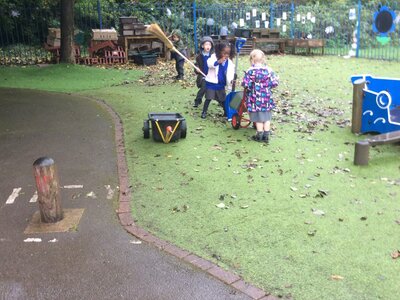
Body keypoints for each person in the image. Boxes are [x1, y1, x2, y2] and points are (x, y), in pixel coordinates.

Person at [241, 49, 279, 143]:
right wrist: (267, 86)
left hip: (255, 98)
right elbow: (274, 82)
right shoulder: (268, 70)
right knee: (266, 117)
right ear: (263, 59)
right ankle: (266, 135)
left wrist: (249, 87)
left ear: (252, 60)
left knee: (258, 118)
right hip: (266, 97)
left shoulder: (250, 71)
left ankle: (259, 135)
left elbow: (246, 84)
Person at [201, 41, 235, 119]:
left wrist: (231, 80)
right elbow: (209, 64)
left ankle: (226, 112)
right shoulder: (213, 57)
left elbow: (230, 73)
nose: (226, 55)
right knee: (208, 98)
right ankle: (204, 112)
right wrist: (218, 62)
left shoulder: (229, 62)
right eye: (224, 53)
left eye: (228, 53)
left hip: (221, 83)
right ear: (219, 51)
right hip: (212, 82)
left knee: (223, 100)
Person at [193, 36, 214, 108]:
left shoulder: (213, 56)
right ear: (202, 46)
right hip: (202, 76)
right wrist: (197, 69)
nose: (208, 46)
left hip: (211, 76)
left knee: (216, 90)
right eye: (206, 44)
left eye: (209, 45)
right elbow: (196, 65)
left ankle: (221, 102)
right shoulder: (199, 56)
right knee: (204, 88)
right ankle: (197, 101)